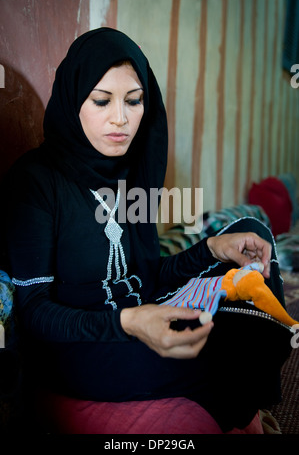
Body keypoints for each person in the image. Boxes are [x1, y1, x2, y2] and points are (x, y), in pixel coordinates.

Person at [2, 27, 291, 433]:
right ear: (72, 100)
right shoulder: (36, 180)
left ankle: (229, 374)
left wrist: (211, 249)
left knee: (248, 231)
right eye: (101, 101)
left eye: (134, 101)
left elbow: (146, 275)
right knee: (225, 344)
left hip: (141, 310)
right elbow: (33, 312)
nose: (120, 118)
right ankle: (235, 393)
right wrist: (129, 323)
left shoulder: (129, 173)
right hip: (80, 344)